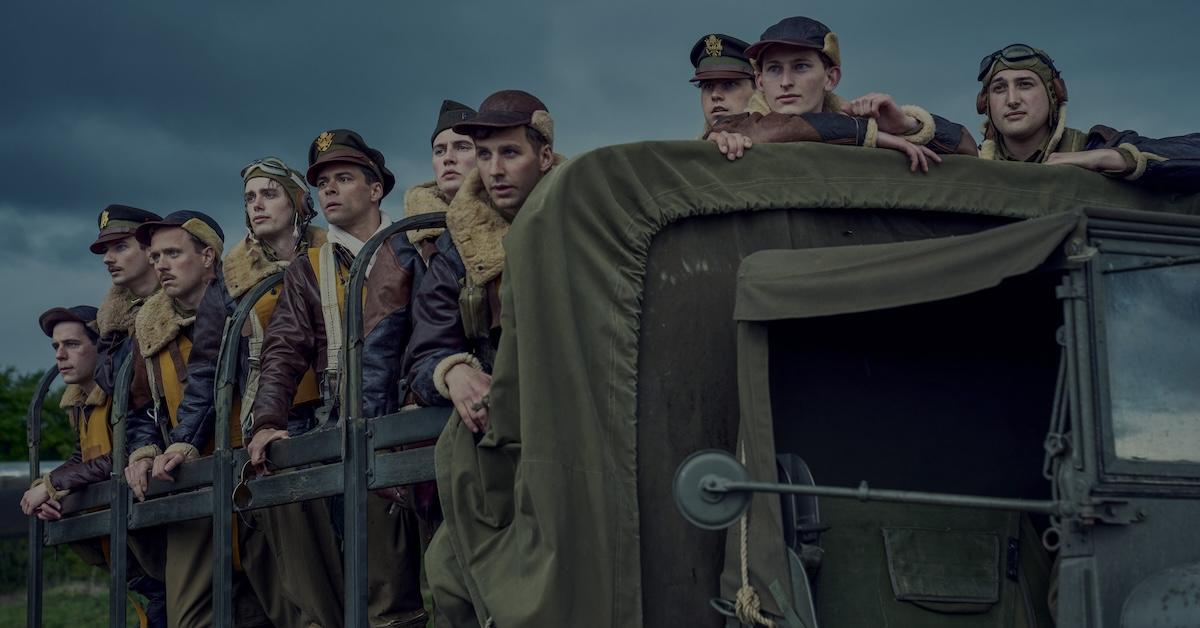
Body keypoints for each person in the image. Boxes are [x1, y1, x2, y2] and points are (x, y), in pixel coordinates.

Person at [245, 130, 429, 627]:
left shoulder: (417, 245)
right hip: (350, 428)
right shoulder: (310, 268)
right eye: (323, 182)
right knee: (377, 585)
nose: (329, 190)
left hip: (420, 419)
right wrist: (267, 420)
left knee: (441, 579)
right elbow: (283, 348)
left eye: (343, 178)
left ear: (375, 189)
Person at [149, 158, 343, 627]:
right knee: (301, 592)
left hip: (341, 418)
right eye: (250, 198)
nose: (257, 204)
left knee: (359, 575)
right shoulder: (229, 286)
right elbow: (207, 374)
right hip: (277, 436)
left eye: (269, 194)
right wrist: (184, 440)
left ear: (300, 202)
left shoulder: (340, 255)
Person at [120, 211, 272, 628]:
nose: (160, 265)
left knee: (287, 608)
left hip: (257, 475)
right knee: (191, 618)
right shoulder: (148, 326)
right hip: (189, 485)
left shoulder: (246, 303)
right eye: (154, 257)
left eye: (172, 253)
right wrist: (144, 449)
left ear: (208, 257)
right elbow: (140, 408)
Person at [405, 89, 562, 434]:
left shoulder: (588, 217)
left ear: (545, 156)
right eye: (485, 155)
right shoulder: (458, 246)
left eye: (509, 153)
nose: (495, 170)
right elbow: (426, 351)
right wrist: (453, 371)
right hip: (511, 422)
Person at [21, 305, 168, 627]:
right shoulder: (81, 404)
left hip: (156, 544)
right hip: (127, 554)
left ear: (101, 347)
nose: (60, 355)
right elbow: (82, 459)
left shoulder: (123, 393)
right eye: (56, 347)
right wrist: (51, 490)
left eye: (72, 344)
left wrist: (52, 486)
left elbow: (121, 453)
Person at [707, 16, 978, 169]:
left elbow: (966, 148)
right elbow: (771, 131)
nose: (786, 81)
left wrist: (907, 126)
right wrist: (870, 134)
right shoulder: (733, 127)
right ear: (761, 81)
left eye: (801, 67)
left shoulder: (860, 129)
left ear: (831, 77)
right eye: (775, 69)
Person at [976, 43, 1200, 191]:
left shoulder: (1093, 146)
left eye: (1025, 85)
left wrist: (1112, 159)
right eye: (999, 88)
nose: (1012, 99)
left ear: (1054, 96)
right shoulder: (972, 161)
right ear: (986, 103)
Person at [90, 205, 163, 395]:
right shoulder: (109, 322)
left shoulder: (185, 305)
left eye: (120, 247)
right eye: (106, 250)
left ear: (150, 249)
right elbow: (111, 382)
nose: (107, 258)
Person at [404, 100, 477, 263]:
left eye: (462, 147)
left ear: (486, 155)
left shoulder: (516, 220)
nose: (448, 158)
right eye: (439, 151)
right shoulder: (403, 245)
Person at [689, 33, 756, 132]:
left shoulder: (779, 140)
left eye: (729, 84)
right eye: (708, 86)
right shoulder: (694, 147)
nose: (715, 95)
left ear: (758, 87)